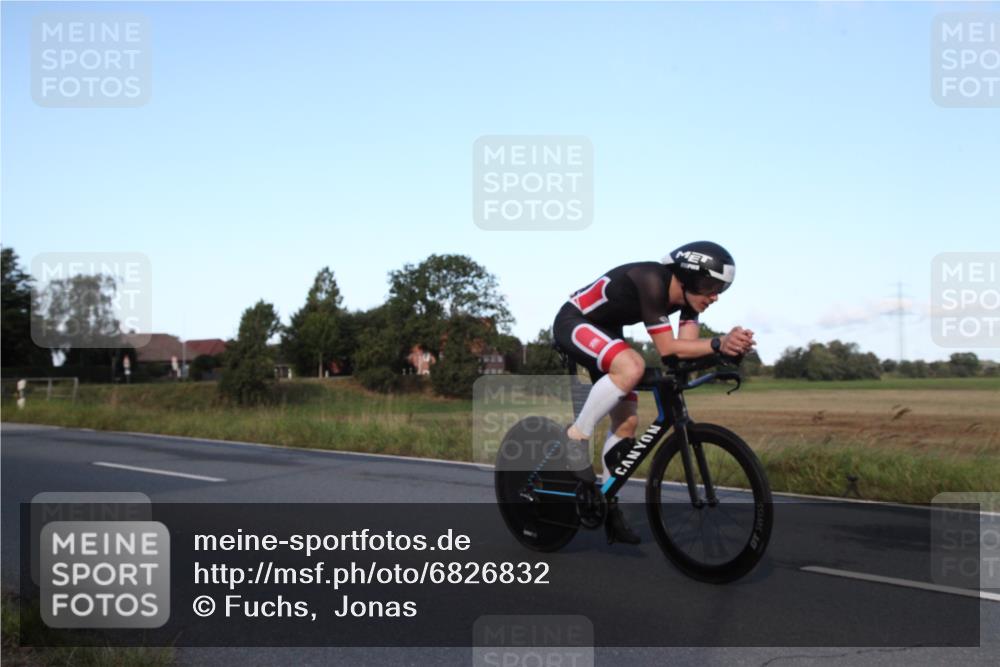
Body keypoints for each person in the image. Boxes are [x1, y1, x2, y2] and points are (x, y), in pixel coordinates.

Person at [552, 241, 756, 544]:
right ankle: (575, 438)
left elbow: (680, 357)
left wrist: (729, 353)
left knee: (627, 424)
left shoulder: (689, 301)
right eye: (710, 286)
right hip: (575, 321)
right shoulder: (651, 279)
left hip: (607, 331)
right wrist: (717, 343)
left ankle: (607, 505)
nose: (714, 296)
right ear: (688, 277)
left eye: (720, 290)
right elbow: (667, 347)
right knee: (632, 366)